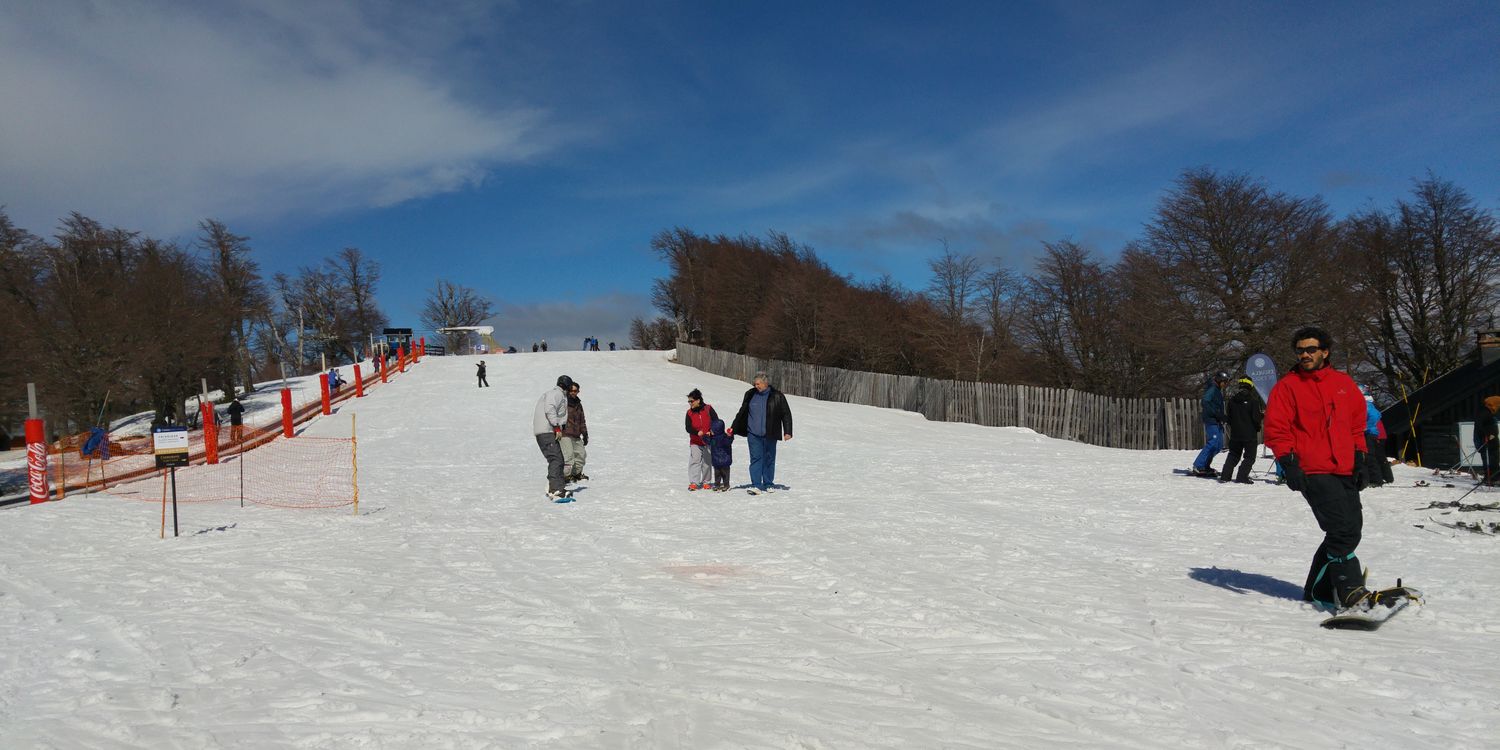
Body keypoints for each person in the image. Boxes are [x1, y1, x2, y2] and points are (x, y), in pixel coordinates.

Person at [1263, 326, 1373, 610]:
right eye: (1300, 350)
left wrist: (1360, 459)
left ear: (1325, 351)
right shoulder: (1288, 387)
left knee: (1352, 529)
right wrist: (1289, 464)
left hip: (1345, 467)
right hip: (1312, 469)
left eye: (1311, 349)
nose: (1305, 355)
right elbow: (1277, 429)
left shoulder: (1343, 383)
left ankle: (1319, 590)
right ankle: (1350, 589)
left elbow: (1357, 425)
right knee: (1342, 530)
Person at [727, 372, 793, 495]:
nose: (756, 386)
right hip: (753, 434)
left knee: (769, 458)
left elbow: (786, 414)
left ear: (765, 383)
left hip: (770, 433)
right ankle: (756, 485)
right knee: (756, 458)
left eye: (758, 384)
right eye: (755, 384)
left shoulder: (777, 396)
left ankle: (768, 483)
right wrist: (733, 427)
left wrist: (788, 431)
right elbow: (742, 412)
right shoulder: (750, 394)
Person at [533, 375, 574, 500]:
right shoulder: (556, 394)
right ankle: (555, 489)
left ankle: (557, 486)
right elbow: (550, 409)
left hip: (546, 430)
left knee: (558, 459)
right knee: (556, 459)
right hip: (547, 431)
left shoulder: (554, 394)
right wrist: (556, 427)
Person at [1218, 376, 1263, 484]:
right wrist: (1259, 422)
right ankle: (1242, 477)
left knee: (1233, 455)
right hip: (1249, 434)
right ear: (1250, 386)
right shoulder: (1253, 401)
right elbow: (1256, 418)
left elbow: (1229, 417)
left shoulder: (1232, 400)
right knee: (1250, 457)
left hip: (1236, 433)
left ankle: (1225, 476)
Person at [1190, 372, 1229, 477]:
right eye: (1224, 382)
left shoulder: (1217, 390)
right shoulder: (1212, 389)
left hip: (1217, 421)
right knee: (1213, 442)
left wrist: (1222, 416)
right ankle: (1198, 465)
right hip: (1211, 420)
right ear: (1219, 380)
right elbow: (1205, 402)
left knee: (1219, 445)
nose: (1225, 384)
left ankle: (1205, 465)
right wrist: (1216, 414)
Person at [684, 388, 718, 490]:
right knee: (695, 460)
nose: (690, 403)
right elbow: (688, 427)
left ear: (698, 400)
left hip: (708, 440)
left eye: (692, 401)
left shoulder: (708, 408)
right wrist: (697, 432)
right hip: (695, 441)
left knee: (707, 462)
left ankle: (706, 482)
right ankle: (694, 482)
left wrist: (711, 431)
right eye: (689, 401)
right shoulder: (689, 413)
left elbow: (716, 421)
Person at [560, 381, 589, 482]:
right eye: (571, 390)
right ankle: (565, 476)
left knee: (581, 454)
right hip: (565, 433)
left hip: (576, 434)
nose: (573, 392)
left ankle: (576, 474)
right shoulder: (563, 402)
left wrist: (584, 433)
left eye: (576, 391)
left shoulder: (578, 404)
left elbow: (582, 419)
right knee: (569, 456)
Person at [1474, 396, 1499, 485]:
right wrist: (1487, 435)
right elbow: (1479, 425)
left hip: (1491, 440)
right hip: (1488, 441)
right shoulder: (1485, 412)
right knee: (1490, 459)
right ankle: (1491, 478)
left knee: (1493, 458)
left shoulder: (1487, 411)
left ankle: (1493, 477)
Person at [709, 416, 733, 491]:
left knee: (725, 474)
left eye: (712, 429)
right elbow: (708, 442)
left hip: (725, 460)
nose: (710, 430)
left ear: (717, 430)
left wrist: (729, 436)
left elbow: (728, 442)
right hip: (716, 460)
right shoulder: (712, 438)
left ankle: (726, 484)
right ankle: (717, 484)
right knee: (717, 474)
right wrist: (705, 436)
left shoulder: (724, 437)